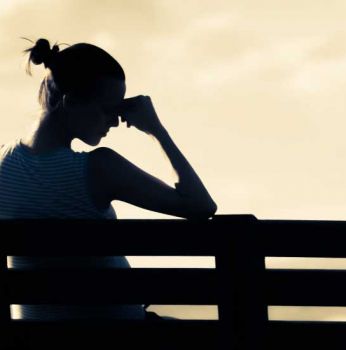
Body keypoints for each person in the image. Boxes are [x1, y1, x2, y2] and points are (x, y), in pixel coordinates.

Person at [0, 38, 217, 320]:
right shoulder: (99, 169)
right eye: (108, 109)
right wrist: (155, 129)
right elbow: (201, 206)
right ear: (71, 102)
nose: (115, 121)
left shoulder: (4, 164)